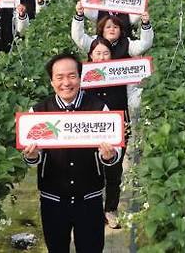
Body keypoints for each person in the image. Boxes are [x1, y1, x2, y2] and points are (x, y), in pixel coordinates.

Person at [21, 53, 121, 252]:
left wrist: (108, 156)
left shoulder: (99, 109)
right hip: (53, 200)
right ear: (51, 81)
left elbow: (115, 150)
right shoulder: (38, 113)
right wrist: (31, 156)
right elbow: (32, 155)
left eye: (72, 76)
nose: (66, 82)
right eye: (59, 77)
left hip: (89, 199)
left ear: (80, 78)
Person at [85, 38, 130, 229]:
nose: (102, 57)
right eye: (97, 53)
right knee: (89, 169)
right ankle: (91, 210)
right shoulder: (82, 76)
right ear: (90, 56)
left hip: (116, 129)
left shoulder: (121, 75)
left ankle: (110, 210)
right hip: (90, 130)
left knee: (114, 170)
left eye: (106, 53)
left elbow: (134, 95)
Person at [72, 4, 153, 59]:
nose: (112, 29)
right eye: (108, 27)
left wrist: (145, 24)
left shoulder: (127, 44)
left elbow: (144, 44)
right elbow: (78, 37)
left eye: (115, 27)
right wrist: (79, 15)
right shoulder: (93, 42)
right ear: (102, 30)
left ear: (120, 31)